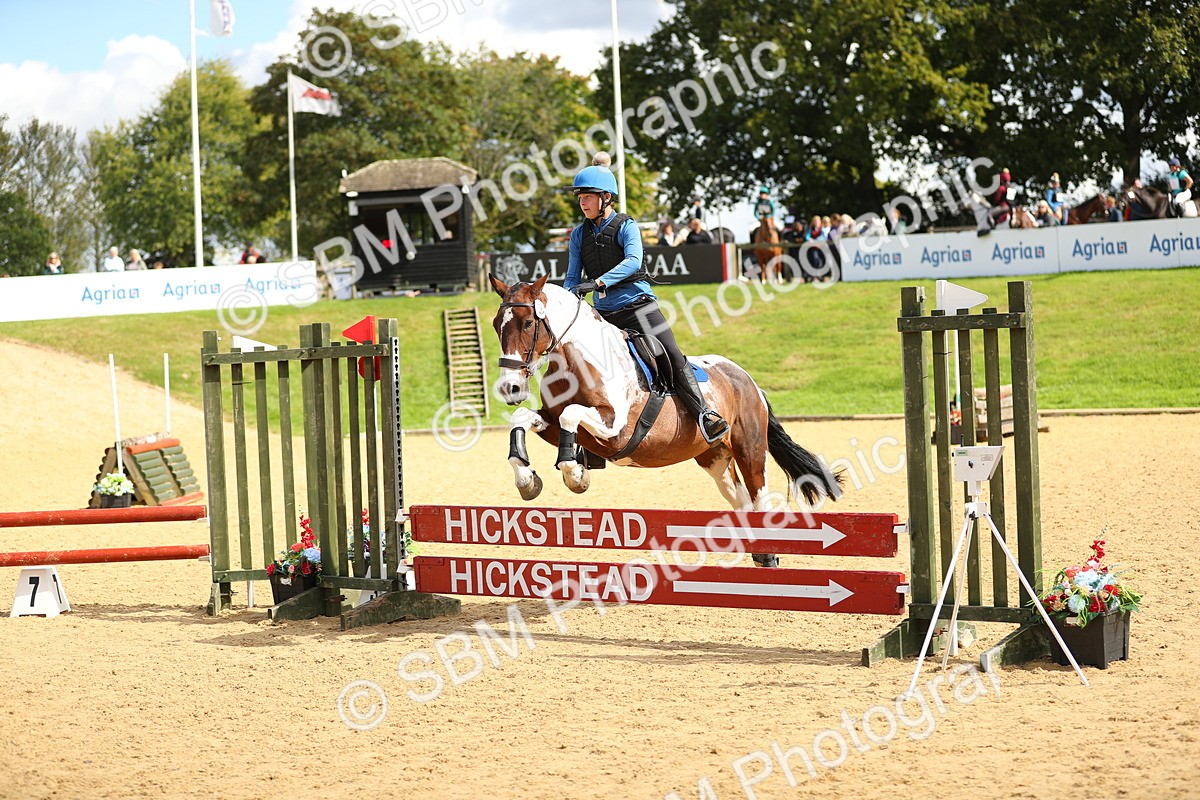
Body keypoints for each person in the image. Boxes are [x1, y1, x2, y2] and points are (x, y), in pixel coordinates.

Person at [565, 152, 729, 444]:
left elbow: (632, 261)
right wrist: (567, 302)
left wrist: (598, 282)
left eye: (588, 196)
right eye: (580, 197)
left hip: (639, 307)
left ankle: (705, 414)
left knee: (671, 353)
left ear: (606, 197)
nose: (582, 202)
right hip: (604, 315)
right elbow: (571, 277)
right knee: (580, 367)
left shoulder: (627, 226)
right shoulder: (578, 235)